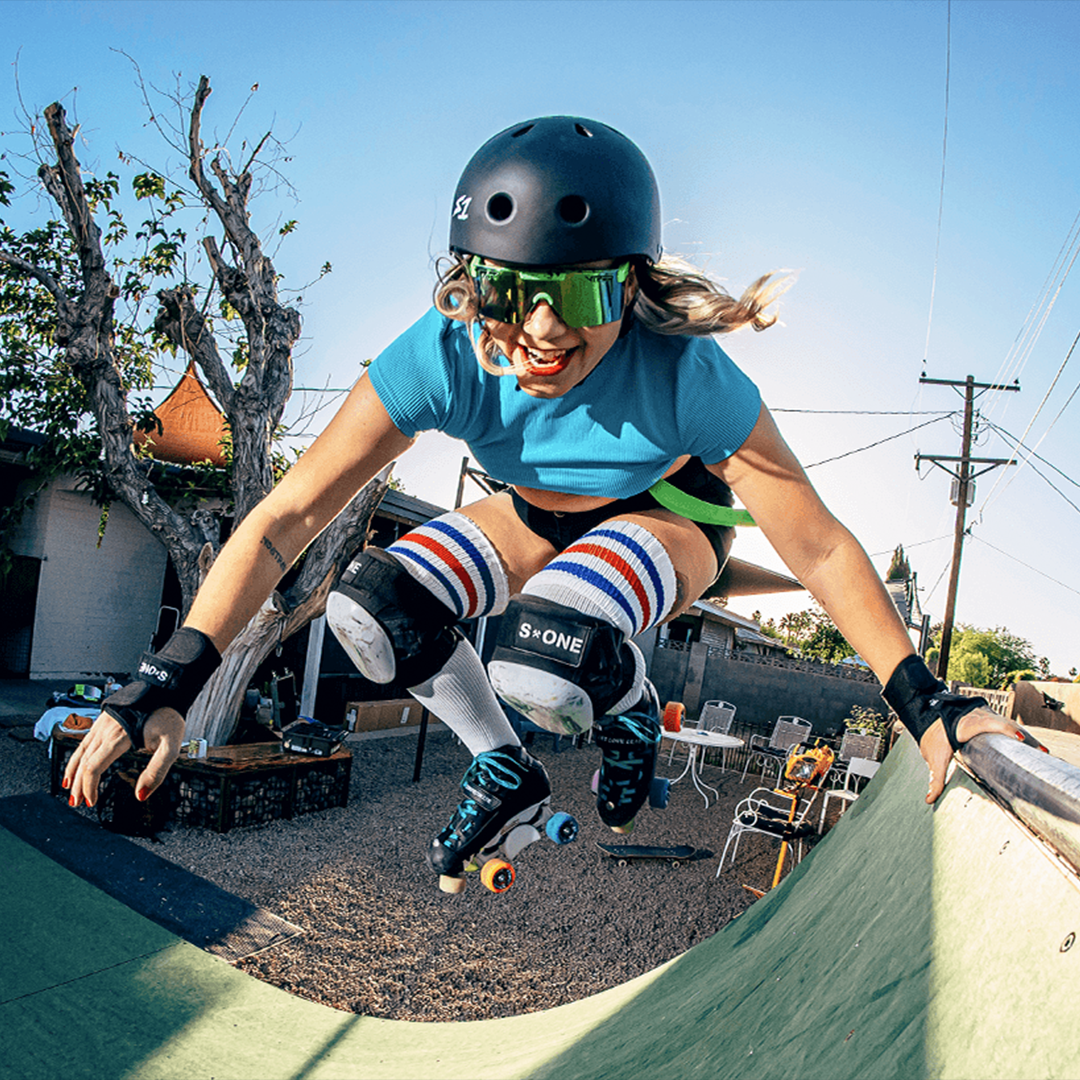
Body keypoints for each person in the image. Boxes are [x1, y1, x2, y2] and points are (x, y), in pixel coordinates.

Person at [65, 115, 1024, 890]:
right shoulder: (438, 355)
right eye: (510, 289)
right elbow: (281, 521)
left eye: (581, 292)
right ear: (465, 283)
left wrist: (923, 702)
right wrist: (169, 683)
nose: (543, 331)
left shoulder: (689, 372)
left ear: (633, 287)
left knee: (546, 652)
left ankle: (631, 699)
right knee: (369, 608)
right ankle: (504, 768)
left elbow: (815, 548)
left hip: (669, 523)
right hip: (530, 516)